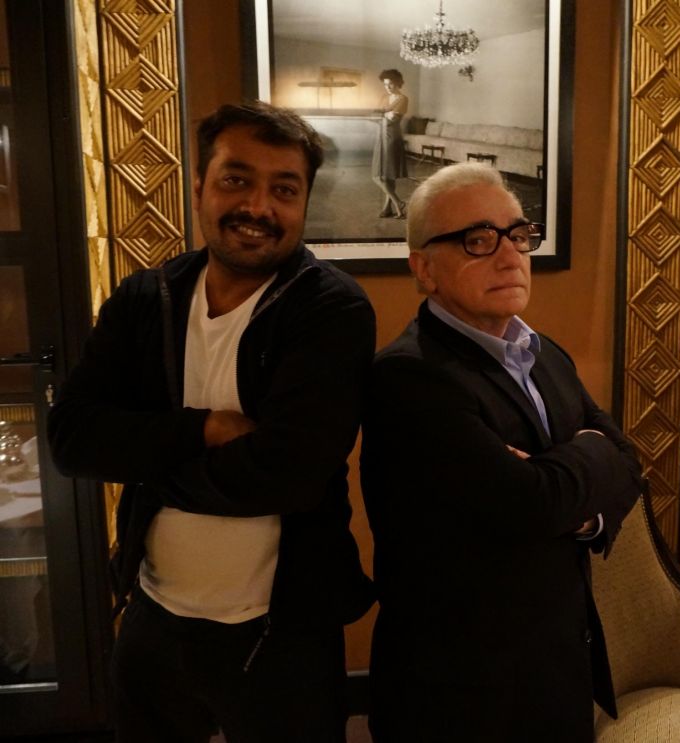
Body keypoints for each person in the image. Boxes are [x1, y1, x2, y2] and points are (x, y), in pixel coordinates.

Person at [47, 101, 376, 743]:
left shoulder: (331, 309)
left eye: (284, 189)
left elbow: (289, 476)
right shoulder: (145, 299)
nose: (258, 206)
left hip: (283, 629)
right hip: (151, 612)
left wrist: (146, 458)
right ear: (199, 186)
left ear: (305, 203)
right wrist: (202, 430)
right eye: (236, 179)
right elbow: (71, 439)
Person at [360, 162, 643, 743]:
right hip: (459, 693)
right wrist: (581, 467)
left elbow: (627, 461)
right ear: (424, 268)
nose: (510, 256)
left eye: (517, 234)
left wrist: (573, 505)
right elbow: (531, 503)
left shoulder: (544, 352)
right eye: (478, 240)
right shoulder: (409, 377)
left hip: (557, 667)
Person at [371, 69, 408, 219]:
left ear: (398, 83)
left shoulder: (403, 99)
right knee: (382, 175)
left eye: (391, 84)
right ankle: (389, 208)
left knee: (384, 175)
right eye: (385, 84)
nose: (387, 87)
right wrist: (385, 114)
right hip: (381, 136)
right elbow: (375, 116)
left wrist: (382, 114)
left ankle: (398, 203)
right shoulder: (384, 97)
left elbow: (393, 119)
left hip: (392, 138)